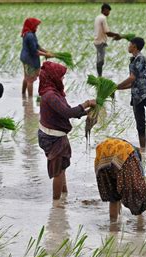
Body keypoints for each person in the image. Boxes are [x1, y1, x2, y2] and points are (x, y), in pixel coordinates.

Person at [37, 61, 96, 200]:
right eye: (61, 76)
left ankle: (64, 197)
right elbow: (67, 112)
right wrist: (86, 103)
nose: (63, 79)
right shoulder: (50, 95)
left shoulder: (55, 93)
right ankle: (56, 205)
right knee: (58, 171)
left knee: (62, 167)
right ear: (53, 77)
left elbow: (69, 111)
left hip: (55, 135)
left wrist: (86, 112)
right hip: (52, 137)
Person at [95, 138, 146, 230]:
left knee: (113, 197)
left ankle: (113, 226)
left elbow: (117, 195)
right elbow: (140, 184)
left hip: (101, 157)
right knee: (145, 195)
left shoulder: (122, 144)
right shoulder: (133, 154)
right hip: (121, 154)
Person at [20, 18, 54, 98]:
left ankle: (23, 95)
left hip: (25, 58)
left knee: (26, 77)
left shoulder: (29, 33)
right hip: (29, 60)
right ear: (31, 25)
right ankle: (30, 99)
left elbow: (37, 46)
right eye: (36, 26)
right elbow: (34, 51)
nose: (37, 27)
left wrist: (46, 51)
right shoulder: (30, 36)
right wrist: (46, 55)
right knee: (30, 80)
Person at [94, 3, 121, 77]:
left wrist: (115, 35)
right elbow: (107, 33)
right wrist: (117, 35)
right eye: (108, 11)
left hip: (97, 41)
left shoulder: (98, 17)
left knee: (99, 59)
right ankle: (100, 76)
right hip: (100, 42)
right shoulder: (103, 18)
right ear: (104, 10)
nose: (109, 13)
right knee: (100, 61)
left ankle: (99, 76)